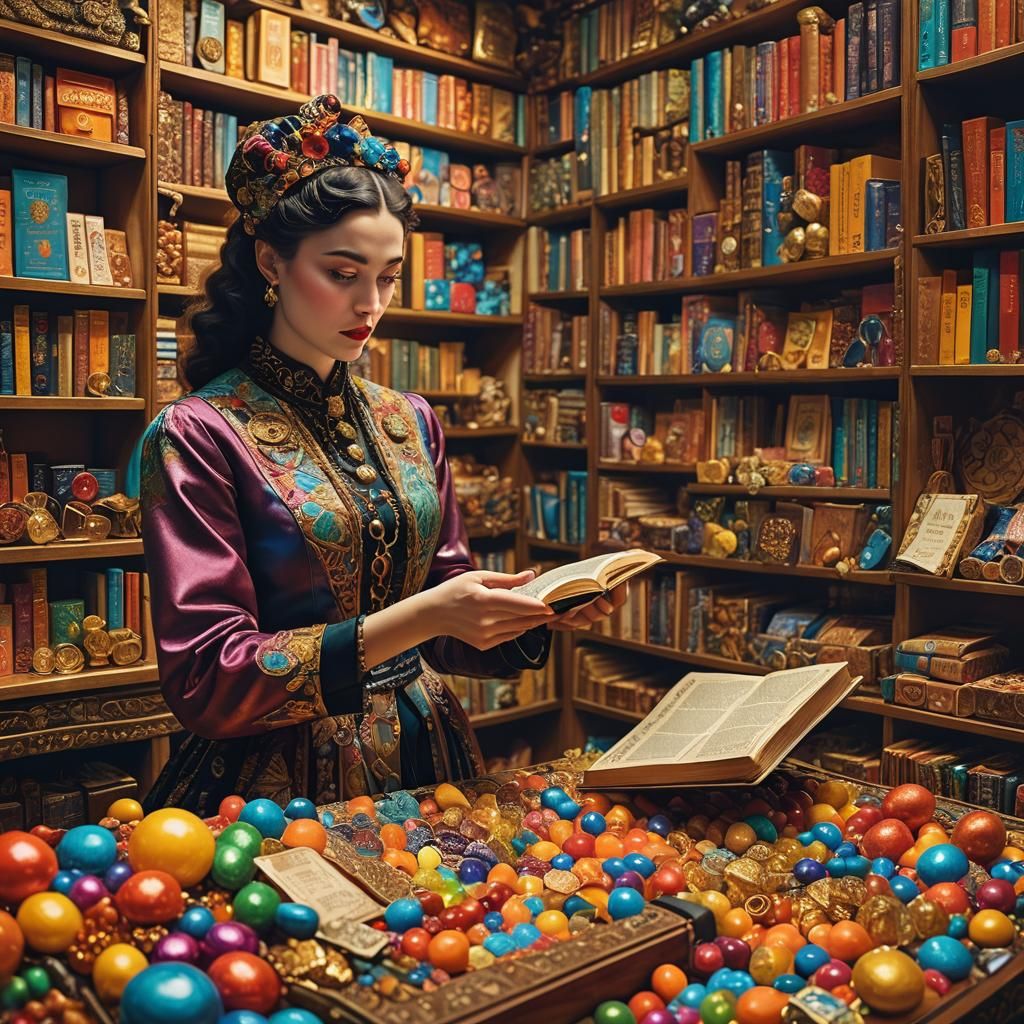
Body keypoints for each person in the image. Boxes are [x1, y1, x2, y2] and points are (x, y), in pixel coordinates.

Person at [139, 96, 626, 815]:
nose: (370, 303)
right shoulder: (199, 433)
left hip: (429, 758)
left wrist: (534, 612)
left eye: (389, 276)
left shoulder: (411, 420)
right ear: (271, 261)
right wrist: (425, 618)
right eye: (342, 273)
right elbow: (209, 678)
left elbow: (449, 613)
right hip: (275, 787)